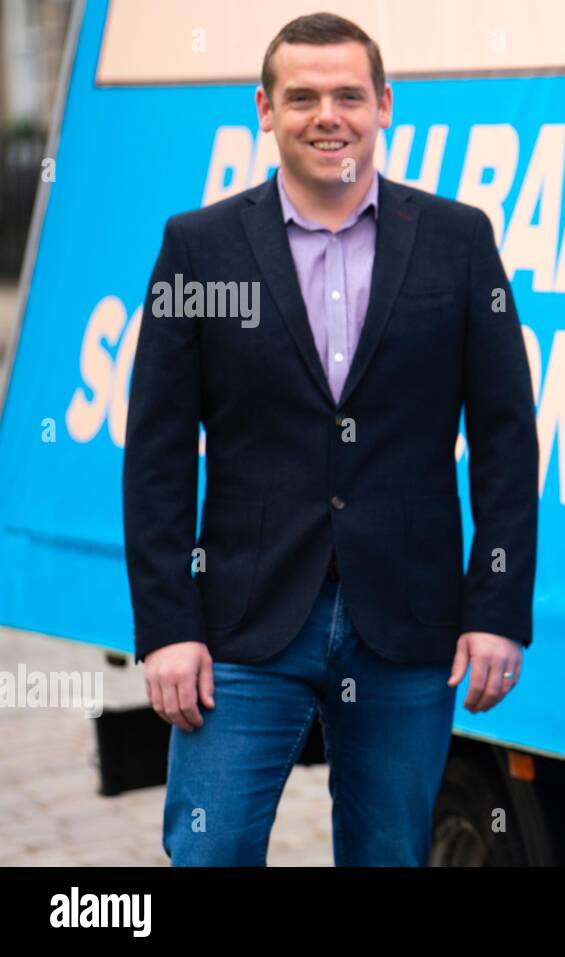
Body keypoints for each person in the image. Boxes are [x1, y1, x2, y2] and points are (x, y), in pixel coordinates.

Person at [122, 13, 538, 866]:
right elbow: (158, 454)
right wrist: (167, 625)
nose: (328, 114)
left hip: (408, 623)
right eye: (302, 96)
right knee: (212, 852)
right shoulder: (197, 248)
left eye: (349, 94)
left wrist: (497, 610)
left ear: (384, 104)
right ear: (265, 110)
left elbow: (506, 439)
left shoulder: (458, 241)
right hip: (242, 623)